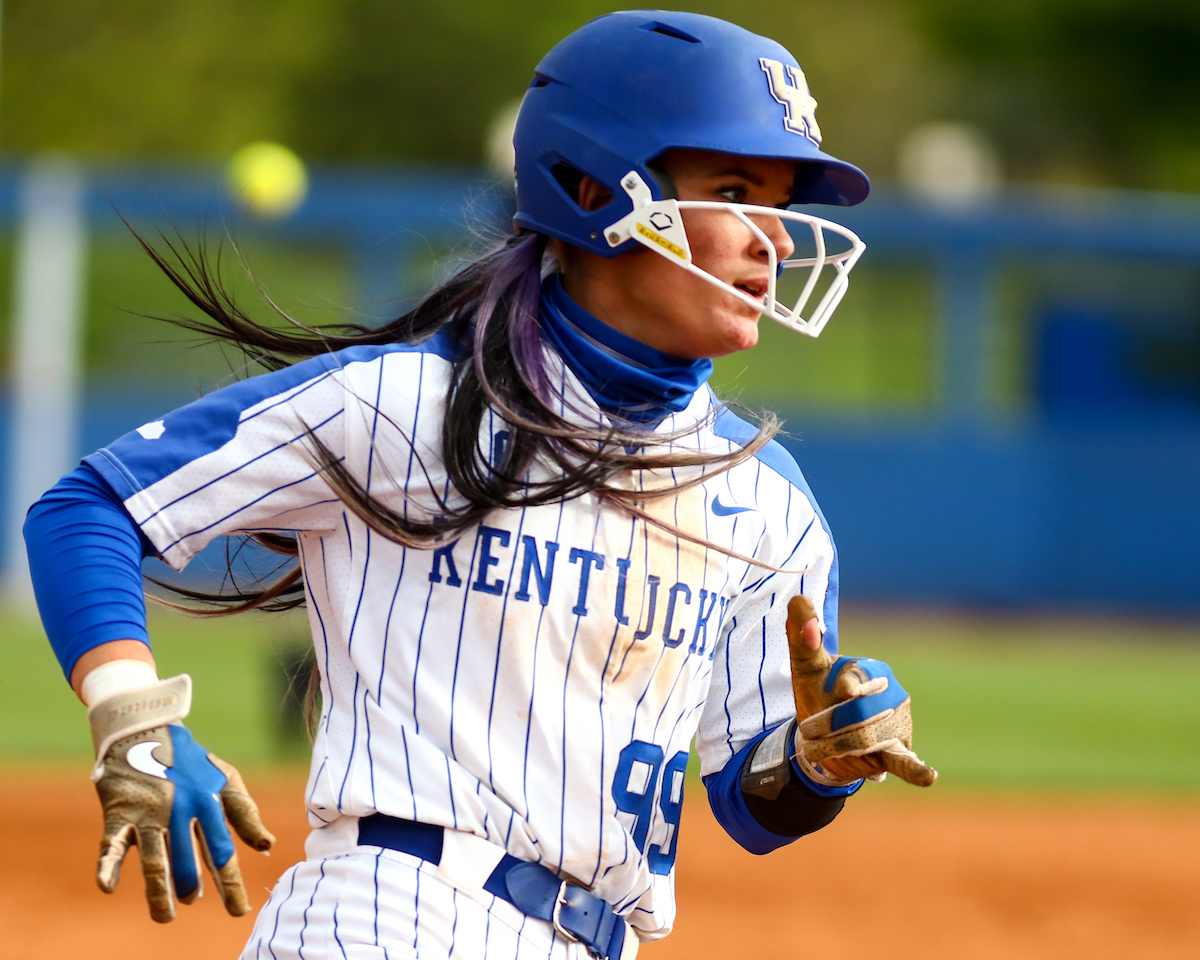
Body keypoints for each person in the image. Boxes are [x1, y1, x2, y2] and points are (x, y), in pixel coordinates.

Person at [24, 10, 936, 960]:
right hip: (386, 917)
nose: (776, 240)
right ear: (593, 188)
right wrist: (133, 722)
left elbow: (754, 808)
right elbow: (91, 507)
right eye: (738, 189)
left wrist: (817, 759)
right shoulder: (406, 403)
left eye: (783, 203)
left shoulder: (770, 504)